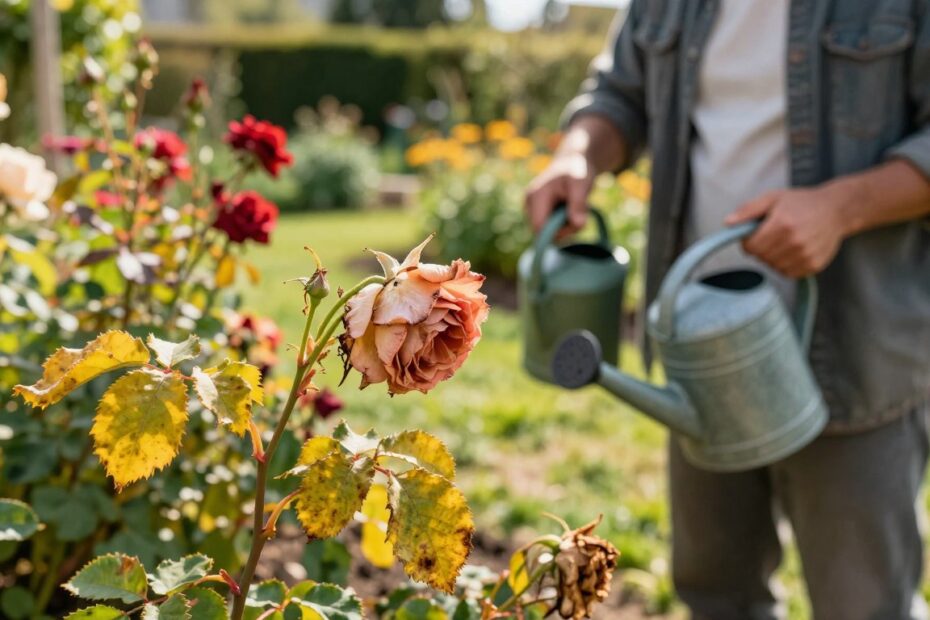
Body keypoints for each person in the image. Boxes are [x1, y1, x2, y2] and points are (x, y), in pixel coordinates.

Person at [524, 1, 930, 618]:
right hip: (699, 353)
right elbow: (619, 96)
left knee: (864, 604)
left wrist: (841, 208)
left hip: (856, 350)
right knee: (716, 594)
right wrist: (577, 153)